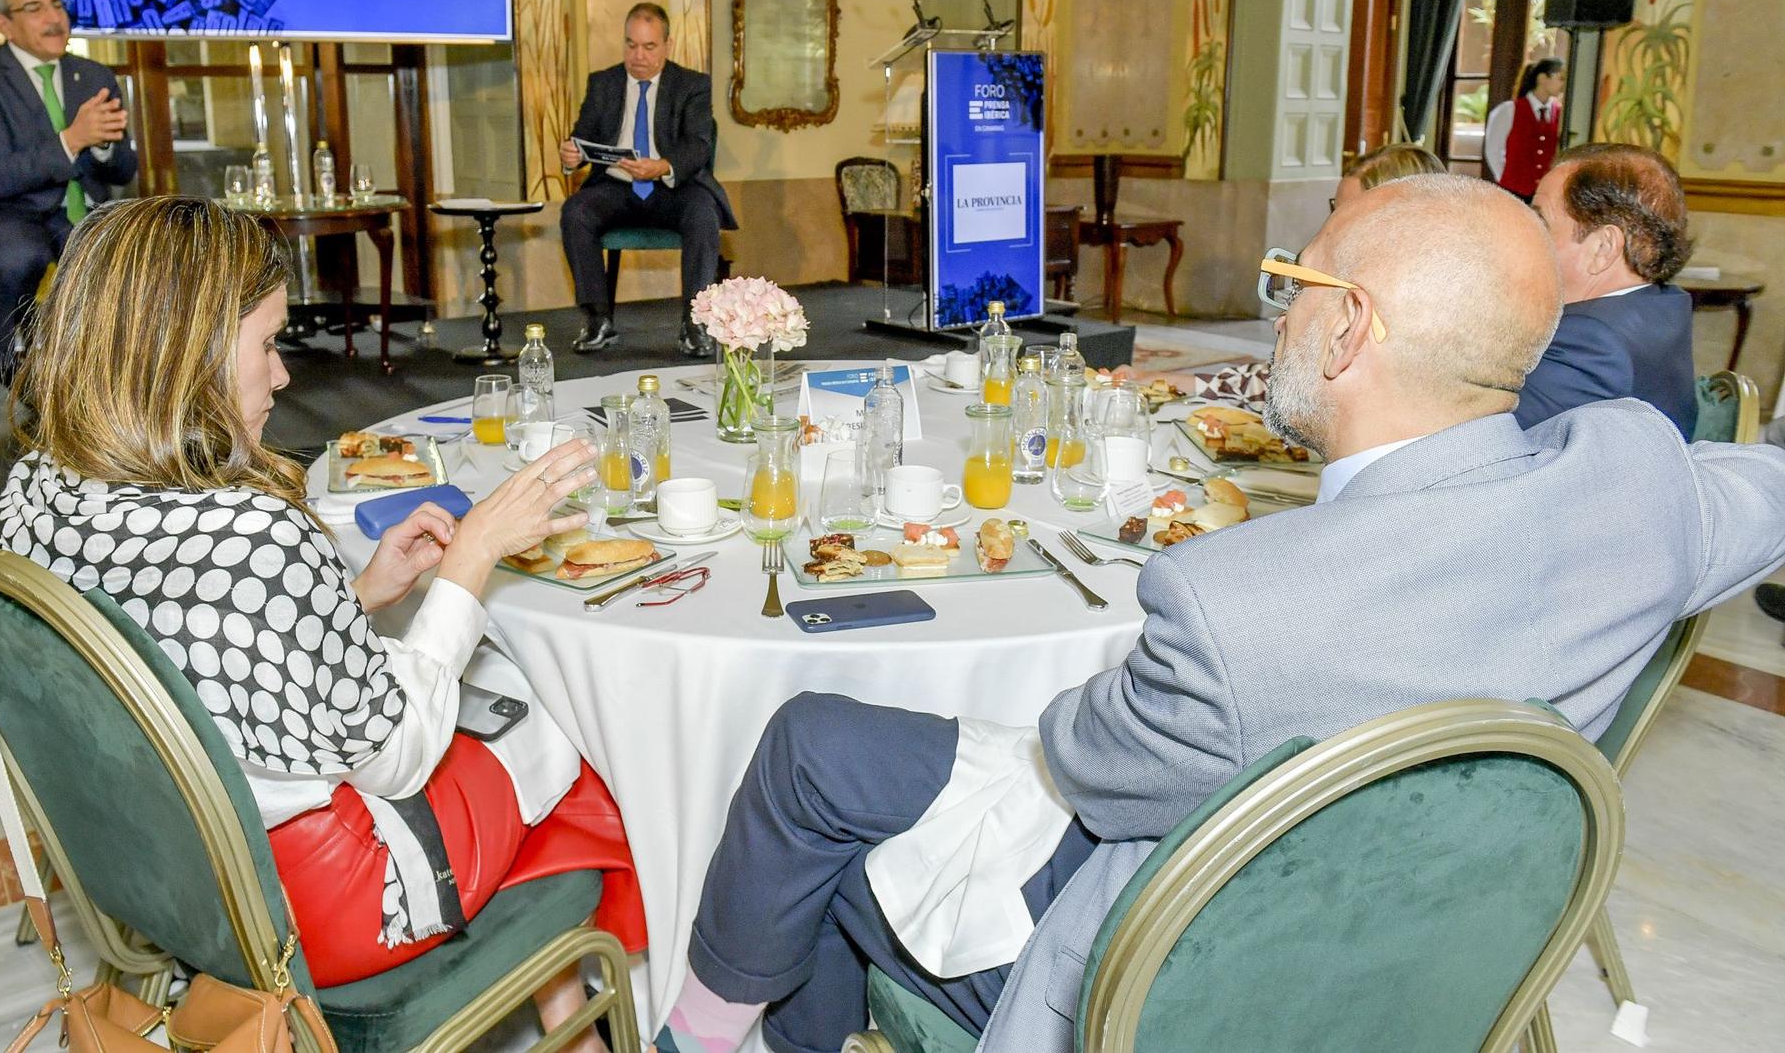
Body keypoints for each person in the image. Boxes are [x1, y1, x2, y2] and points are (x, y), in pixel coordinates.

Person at [644, 175, 1785, 1053]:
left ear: (1348, 329)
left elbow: (1080, 756)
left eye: (1293, 284)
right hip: (1427, 956)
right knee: (833, 758)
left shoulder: (1231, 604)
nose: (1276, 311)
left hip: (1166, 982)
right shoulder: (1635, 486)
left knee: (822, 797)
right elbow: (1766, 494)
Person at [0, 198, 643, 1044]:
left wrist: (360, 592)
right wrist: (472, 560)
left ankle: (558, 999)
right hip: (319, 910)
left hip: (165, 875)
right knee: (575, 721)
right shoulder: (253, 538)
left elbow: (195, 641)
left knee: (517, 712)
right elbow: (398, 759)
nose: (284, 375)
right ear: (179, 356)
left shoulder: (37, 490)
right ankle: (595, 1006)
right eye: (266, 345)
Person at [1118, 142, 1449, 406]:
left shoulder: (1428, 315)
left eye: (1349, 214)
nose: (1333, 226)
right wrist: (1158, 381)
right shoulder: (1345, 281)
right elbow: (1279, 381)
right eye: (1336, 210)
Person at [0, 0, 138, 383]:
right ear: (4, 23)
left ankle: (121, 383)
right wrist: (72, 139)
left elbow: (124, 170)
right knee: (21, 257)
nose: (54, 18)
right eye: (34, 9)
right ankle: (15, 373)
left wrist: (103, 143)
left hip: (84, 209)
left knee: (128, 257)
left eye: (57, 5)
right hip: (8, 210)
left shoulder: (93, 76)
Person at [559, 2, 734, 358]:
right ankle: (597, 320)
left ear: (667, 45)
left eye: (649, 47)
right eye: (630, 45)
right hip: (615, 188)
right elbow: (582, 136)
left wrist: (663, 165)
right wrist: (572, 156)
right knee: (575, 211)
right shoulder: (602, 83)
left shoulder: (693, 85)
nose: (638, 56)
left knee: (703, 213)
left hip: (672, 188)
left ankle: (695, 323)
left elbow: (699, 144)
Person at [1516, 142, 1697, 437]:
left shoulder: (1589, 341)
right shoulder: (1665, 303)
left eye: (1540, 223)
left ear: (1603, 248)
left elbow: (1479, 441)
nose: (1526, 238)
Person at [1484, 57, 1565, 198]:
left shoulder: (1560, 113)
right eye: (1560, 78)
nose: (1563, 85)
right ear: (1542, 78)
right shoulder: (1509, 110)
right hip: (1513, 191)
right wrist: (1505, 179)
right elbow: (1493, 149)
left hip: (1546, 194)